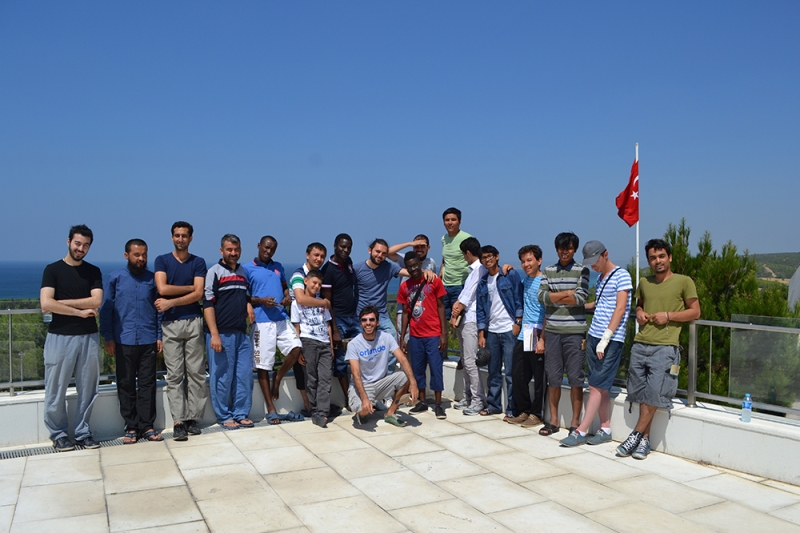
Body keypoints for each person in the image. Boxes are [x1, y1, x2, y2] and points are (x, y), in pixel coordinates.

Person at [616, 239, 700, 460]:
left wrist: (669, 316)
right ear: (649, 261)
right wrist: (639, 312)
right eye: (653, 258)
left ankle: (634, 435)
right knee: (640, 392)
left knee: (655, 392)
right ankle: (644, 441)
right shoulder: (644, 282)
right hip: (640, 343)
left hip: (666, 346)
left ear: (669, 257)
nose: (658, 261)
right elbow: (639, 304)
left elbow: (695, 312)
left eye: (662, 256)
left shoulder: (684, 281)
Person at [560, 241, 632, 447]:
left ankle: (581, 431)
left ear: (605, 254)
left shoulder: (622, 275)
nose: (593, 266)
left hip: (610, 339)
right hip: (593, 335)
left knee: (596, 386)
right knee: (600, 386)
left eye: (595, 261)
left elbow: (620, 308)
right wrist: (574, 304)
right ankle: (605, 428)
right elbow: (599, 304)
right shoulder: (601, 278)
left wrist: (606, 338)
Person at [40, 225, 103, 451]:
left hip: (88, 338)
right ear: (68, 242)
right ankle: (58, 434)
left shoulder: (93, 271)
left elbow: (96, 301)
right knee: (56, 388)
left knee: (88, 389)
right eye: (77, 243)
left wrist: (61, 304)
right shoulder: (52, 270)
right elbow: (45, 303)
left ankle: (82, 432)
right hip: (60, 337)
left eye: (86, 245)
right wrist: (79, 312)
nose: (81, 248)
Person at [100, 238, 162, 444]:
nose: (141, 258)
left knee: (147, 384)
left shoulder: (153, 279)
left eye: (144, 254)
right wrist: (108, 338)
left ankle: (147, 426)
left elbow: (159, 309)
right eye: (137, 255)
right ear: (127, 255)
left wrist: (159, 336)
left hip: (148, 339)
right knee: (125, 384)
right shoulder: (114, 278)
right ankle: (131, 427)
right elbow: (106, 310)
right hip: (122, 340)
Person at [154, 221, 207, 441]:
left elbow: (199, 294)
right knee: (175, 375)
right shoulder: (162, 260)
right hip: (170, 324)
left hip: (193, 321)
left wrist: (170, 302)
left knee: (196, 373)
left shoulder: (198, 262)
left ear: (190, 238)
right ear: (172, 237)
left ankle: (193, 418)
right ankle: (179, 421)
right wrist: (190, 289)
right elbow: (162, 288)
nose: (180, 239)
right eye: (177, 235)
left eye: (184, 235)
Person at [242, 236, 304, 425]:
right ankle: (271, 409)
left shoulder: (278, 267)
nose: (268, 251)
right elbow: (243, 296)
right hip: (261, 321)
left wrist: (287, 297)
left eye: (272, 249)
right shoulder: (247, 268)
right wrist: (261, 301)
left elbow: (285, 288)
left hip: (281, 317)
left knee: (296, 348)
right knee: (263, 365)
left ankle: (277, 377)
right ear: (259, 246)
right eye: (266, 248)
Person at [537, 232, 590, 436]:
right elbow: (542, 297)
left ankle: (575, 423)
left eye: (568, 248)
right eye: (561, 248)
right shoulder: (548, 270)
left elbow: (581, 298)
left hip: (575, 332)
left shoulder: (582, 270)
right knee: (553, 377)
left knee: (576, 378)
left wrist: (555, 297)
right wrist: (567, 293)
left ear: (574, 249)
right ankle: (553, 421)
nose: (564, 251)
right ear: (556, 249)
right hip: (552, 332)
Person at [203, 234, 254, 431]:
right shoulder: (214, 272)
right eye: (229, 249)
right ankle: (224, 416)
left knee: (244, 375)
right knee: (222, 377)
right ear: (221, 251)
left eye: (236, 249)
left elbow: (243, 294)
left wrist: (248, 304)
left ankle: (240, 413)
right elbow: (208, 305)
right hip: (221, 334)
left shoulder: (242, 272)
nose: (233, 253)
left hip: (241, 333)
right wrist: (214, 334)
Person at [346, 306, 419, 427]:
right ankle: (364, 411)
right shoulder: (354, 344)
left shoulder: (386, 337)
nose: (368, 323)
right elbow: (356, 374)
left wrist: (413, 382)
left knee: (405, 376)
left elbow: (402, 359)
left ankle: (390, 413)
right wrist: (364, 398)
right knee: (363, 410)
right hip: (362, 386)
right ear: (360, 323)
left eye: (371, 319)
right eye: (364, 320)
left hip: (381, 383)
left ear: (378, 322)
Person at [397, 252, 448, 419]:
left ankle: (438, 404)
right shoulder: (404, 287)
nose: (413, 269)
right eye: (409, 267)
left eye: (415, 265)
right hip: (415, 335)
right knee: (418, 370)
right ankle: (423, 401)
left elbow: (441, 307)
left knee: (436, 369)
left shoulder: (434, 281)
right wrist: (402, 337)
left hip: (433, 334)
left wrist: (444, 333)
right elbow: (406, 313)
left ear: (420, 264)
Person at [354, 238, 435, 339]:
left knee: (393, 340)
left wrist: (424, 272)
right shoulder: (357, 269)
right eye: (377, 251)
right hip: (362, 315)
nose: (380, 255)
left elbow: (409, 272)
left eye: (383, 253)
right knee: (360, 343)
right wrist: (410, 243)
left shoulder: (388, 267)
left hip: (381, 315)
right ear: (369, 250)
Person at [476, 245, 523, 419]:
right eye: (484, 257)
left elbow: (518, 299)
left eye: (490, 256)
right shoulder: (482, 282)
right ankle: (494, 405)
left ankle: (512, 409)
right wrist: (481, 333)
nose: (487, 259)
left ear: (497, 256)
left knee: (510, 372)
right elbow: (481, 310)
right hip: (492, 332)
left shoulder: (509, 275)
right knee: (493, 371)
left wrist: (518, 322)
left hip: (509, 329)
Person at [507, 245, 547, 429]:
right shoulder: (525, 281)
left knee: (539, 377)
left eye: (529, 260)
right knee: (518, 374)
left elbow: (548, 312)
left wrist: (543, 338)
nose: (526, 264)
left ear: (539, 260)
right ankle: (524, 410)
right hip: (526, 332)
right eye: (523, 261)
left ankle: (536, 414)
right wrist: (508, 268)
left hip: (537, 332)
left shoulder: (545, 281)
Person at [288, 242, 329, 415]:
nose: (319, 259)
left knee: (318, 373)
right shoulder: (299, 274)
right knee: (304, 370)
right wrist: (324, 303)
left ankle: (318, 406)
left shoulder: (317, 276)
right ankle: (310, 406)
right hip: (299, 325)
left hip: (318, 330)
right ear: (307, 255)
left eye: (322, 256)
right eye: (316, 255)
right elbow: (301, 299)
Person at [291, 270, 334, 428]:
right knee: (311, 378)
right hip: (308, 342)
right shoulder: (296, 304)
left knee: (325, 378)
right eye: (314, 283)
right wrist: (298, 350)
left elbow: (328, 324)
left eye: (319, 284)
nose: (316, 286)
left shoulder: (322, 302)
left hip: (324, 343)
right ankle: (315, 409)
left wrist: (331, 345)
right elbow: (296, 328)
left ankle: (323, 411)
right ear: (306, 282)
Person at [450, 237, 486, 416]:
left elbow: (467, 296)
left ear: (468, 253)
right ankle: (468, 396)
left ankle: (478, 400)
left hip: (471, 320)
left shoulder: (479, 270)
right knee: (465, 360)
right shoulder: (474, 271)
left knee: (471, 361)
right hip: (465, 320)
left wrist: (454, 312)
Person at [321, 233, 358, 411]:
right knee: (342, 362)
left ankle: (362, 394)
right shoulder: (328, 270)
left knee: (363, 356)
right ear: (335, 246)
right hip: (340, 320)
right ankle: (348, 398)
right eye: (342, 246)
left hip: (354, 318)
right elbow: (327, 303)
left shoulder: (348, 263)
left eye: (348, 247)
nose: (345, 250)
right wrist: (334, 329)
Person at [440, 208, 472, 366]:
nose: (450, 222)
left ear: (459, 221)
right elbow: (445, 260)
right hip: (445, 285)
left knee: (460, 323)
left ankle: (464, 357)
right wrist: (440, 274)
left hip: (461, 285)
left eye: (453, 219)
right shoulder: (444, 239)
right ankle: (442, 352)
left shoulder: (466, 238)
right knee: (442, 321)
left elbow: (475, 259)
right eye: (447, 220)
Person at [389, 235, 437, 336]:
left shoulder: (431, 263)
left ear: (428, 248)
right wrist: (409, 243)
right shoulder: (405, 259)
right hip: (404, 310)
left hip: (424, 310)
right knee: (404, 340)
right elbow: (388, 253)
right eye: (416, 246)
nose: (419, 249)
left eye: (422, 246)